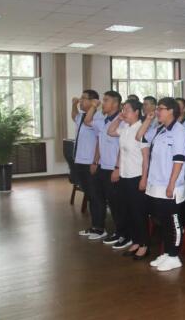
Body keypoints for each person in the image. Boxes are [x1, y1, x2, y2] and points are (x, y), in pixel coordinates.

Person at [137, 97, 185, 272]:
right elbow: (140, 136)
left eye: (160, 108)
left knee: (173, 222)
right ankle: (167, 253)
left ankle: (174, 256)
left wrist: (171, 184)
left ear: (171, 111)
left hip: (171, 185)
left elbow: (179, 160)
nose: (157, 111)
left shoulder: (179, 132)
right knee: (164, 221)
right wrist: (148, 119)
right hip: (156, 184)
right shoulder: (160, 129)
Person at [84, 90, 129, 246]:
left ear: (115, 103)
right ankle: (109, 230)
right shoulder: (103, 120)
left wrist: (117, 168)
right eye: (103, 100)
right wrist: (95, 161)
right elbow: (87, 121)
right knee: (104, 199)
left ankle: (122, 233)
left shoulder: (122, 121)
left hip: (115, 168)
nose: (103, 103)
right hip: (103, 166)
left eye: (106, 100)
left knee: (117, 203)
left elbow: (123, 147)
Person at [107, 99, 150, 260]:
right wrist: (119, 119)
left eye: (127, 110)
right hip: (124, 175)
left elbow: (146, 158)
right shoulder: (125, 127)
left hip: (136, 176)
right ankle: (135, 241)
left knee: (139, 212)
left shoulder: (142, 129)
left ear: (137, 112)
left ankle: (144, 245)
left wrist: (144, 179)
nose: (123, 112)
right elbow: (110, 131)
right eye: (123, 109)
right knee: (128, 211)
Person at [70, 89, 103, 238]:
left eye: (84, 98)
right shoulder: (82, 115)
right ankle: (94, 226)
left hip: (90, 162)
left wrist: (95, 161)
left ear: (93, 101)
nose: (81, 100)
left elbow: (100, 141)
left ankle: (99, 228)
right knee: (90, 195)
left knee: (95, 196)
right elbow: (74, 116)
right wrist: (73, 105)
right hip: (80, 161)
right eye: (81, 98)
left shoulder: (98, 117)